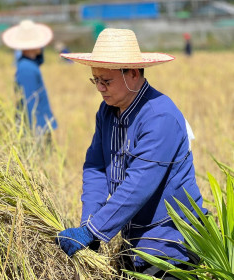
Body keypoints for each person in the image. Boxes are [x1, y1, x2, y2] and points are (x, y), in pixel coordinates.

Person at [55, 28, 207, 279]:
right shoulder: (107, 112)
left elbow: (139, 184)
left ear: (133, 74)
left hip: (169, 248)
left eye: (107, 81)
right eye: (96, 80)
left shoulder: (160, 117)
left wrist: (94, 231)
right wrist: (88, 223)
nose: (100, 88)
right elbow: (96, 167)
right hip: (133, 242)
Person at [2, 20, 57, 138]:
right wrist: (32, 132)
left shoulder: (29, 64)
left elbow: (40, 61)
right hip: (37, 128)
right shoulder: (26, 69)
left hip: (40, 124)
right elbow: (29, 101)